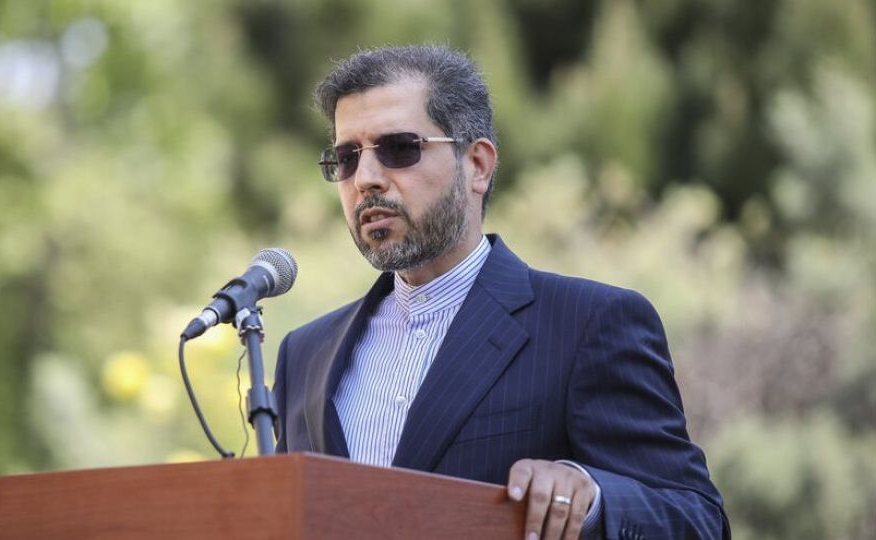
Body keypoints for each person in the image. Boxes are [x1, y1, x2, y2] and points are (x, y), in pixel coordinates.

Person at [273, 44, 729, 540]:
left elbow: (697, 521)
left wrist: (591, 495)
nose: (365, 179)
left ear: (478, 165)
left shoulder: (588, 324)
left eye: (399, 148)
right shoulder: (304, 354)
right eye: (346, 158)